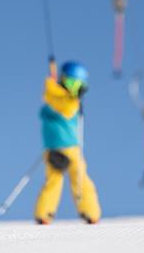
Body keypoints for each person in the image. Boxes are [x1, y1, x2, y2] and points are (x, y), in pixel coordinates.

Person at [34, 61, 101, 225]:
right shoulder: (68, 101)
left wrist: (51, 85)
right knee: (79, 179)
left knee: (54, 180)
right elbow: (68, 108)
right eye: (74, 84)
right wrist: (73, 96)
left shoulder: (50, 99)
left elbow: (48, 105)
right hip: (69, 146)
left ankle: (44, 213)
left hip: (51, 147)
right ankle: (90, 211)